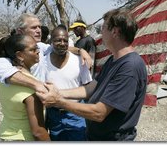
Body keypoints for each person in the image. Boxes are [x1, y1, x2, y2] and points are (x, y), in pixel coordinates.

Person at [37, 8, 148, 141]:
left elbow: (99, 113)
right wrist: (58, 93)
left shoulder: (129, 67)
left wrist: (59, 101)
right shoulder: (114, 60)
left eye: (103, 28)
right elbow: (92, 87)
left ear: (115, 32)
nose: (101, 32)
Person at [0, 13, 92, 93]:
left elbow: (59, 47)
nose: (39, 31)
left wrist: (81, 51)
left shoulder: (41, 47)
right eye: (34, 28)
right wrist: (37, 85)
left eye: (39, 27)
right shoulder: (9, 53)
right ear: (20, 31)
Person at [0, 34, 49, 141]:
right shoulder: (31, 85)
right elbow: (38, 132)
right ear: (20, 55)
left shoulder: (2, 78)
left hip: (4, 136)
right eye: (33, 50)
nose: (38, 51)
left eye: (37, 48)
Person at [43, 26, 92, 141]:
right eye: (58, 40)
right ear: (51, 42)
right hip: (53, 115)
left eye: (65, 40)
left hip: (76, 113)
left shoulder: (80, 61)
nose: (62, 43)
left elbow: (88, 87)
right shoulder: (42, 62)